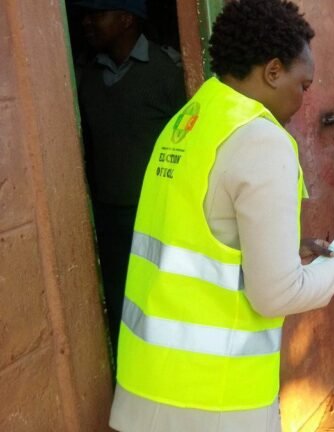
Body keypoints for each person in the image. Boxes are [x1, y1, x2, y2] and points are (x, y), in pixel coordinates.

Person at [108, 1, 334, 431]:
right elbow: (277, 294)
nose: (303, 101)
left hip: (146, 384)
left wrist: (290, 247)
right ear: (271, 71)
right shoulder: (261, 139)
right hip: (215, 398)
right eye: (302, 85)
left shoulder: (189, 120)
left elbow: (199, 234)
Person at [73, 0, 187, 358]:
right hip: (109, 215)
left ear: (126, 20)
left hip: (159, 214)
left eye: (97, 14)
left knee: (165, 297)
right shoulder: (88, 76)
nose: (87, 23)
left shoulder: (167, 72)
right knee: (122, 298)